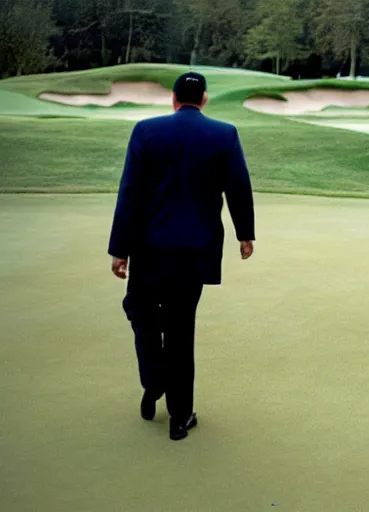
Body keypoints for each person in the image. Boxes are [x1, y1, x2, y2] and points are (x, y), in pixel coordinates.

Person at [107, 72, 256, 441]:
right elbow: (238, 187)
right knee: (179, 330)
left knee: (139, 310)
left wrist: (119, 250)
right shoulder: (224, 134)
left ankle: (153, 381)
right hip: (195, 252)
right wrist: (245, 234)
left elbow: (130, 194)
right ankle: (179, 416)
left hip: (149, 249)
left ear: (173, 98)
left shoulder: (145, 131)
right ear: (204, 99)